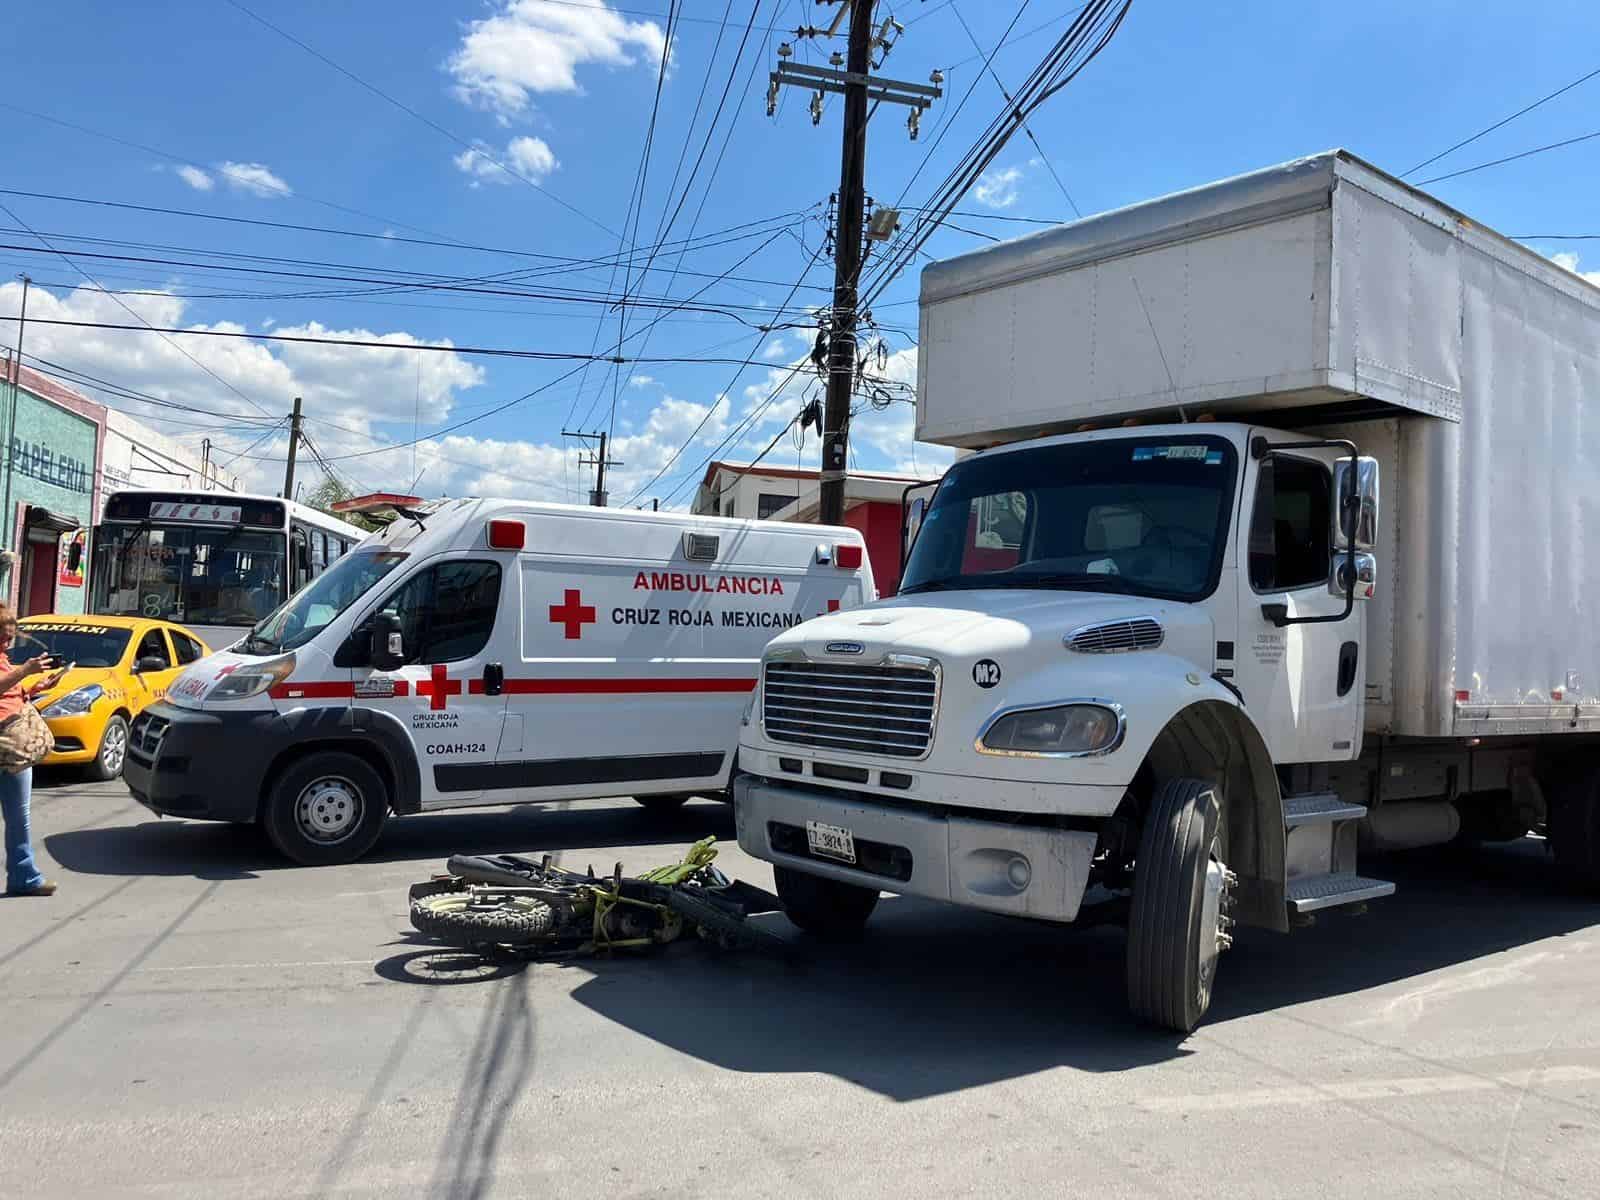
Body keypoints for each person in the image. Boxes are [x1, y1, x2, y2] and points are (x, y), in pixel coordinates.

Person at [0, 604, 68, 897]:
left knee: (19, 816)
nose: (7, 644)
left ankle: (24, 877)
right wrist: (25, 670)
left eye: (10, 638)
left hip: (14, 746)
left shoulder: (2, 659)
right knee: (18, 815)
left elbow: (10, 692)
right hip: (6, 739)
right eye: (3, 638)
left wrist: (35, 686)